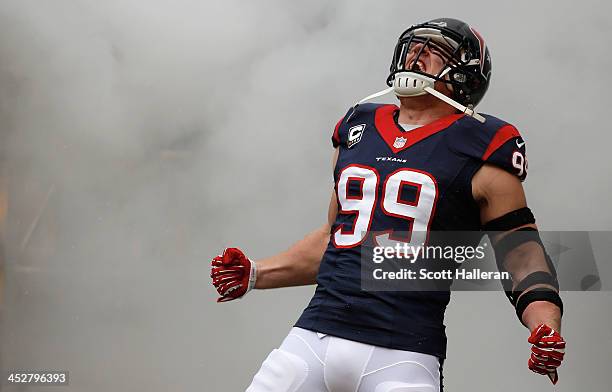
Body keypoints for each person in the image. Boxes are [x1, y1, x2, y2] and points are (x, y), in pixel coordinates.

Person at [210, 18, 566, 392]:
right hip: (311, 338)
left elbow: (522, 255)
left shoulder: (487, 143)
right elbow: (338, 238)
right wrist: (257, 273)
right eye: (414, 46)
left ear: (467, 76)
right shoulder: (357, 126)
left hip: (403, 356)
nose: (417, 54)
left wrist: (545, 324)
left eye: (435, 50)